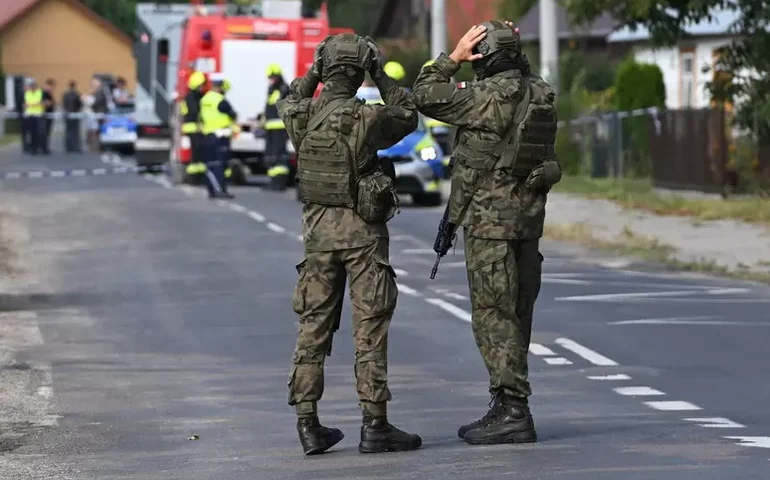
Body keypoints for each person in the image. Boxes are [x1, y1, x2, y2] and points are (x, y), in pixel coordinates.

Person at [412, 21, 561, 445]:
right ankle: (504, 403)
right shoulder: (541, 93)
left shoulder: (484, 97)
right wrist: (511, 50)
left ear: (484, 58)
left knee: (494, 316)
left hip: (490, 225)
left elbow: (424, 94)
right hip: (527, 223)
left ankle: (514, 411)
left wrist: (454, 57)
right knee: (516, 315)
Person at [277, 33, 422, 456]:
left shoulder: (300, 115)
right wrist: (379, 72)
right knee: (369, 328)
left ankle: (308, 424)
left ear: (324, 71)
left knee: (313, 326)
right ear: (360, 74)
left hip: (318, 236)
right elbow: (407, 114)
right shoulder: (367, 118)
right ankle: (375, 425)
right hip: (363, 236)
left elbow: (290, 97)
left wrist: (314, 70)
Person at [199, 73, 237, 199]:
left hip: (208, 135)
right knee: (220, 164)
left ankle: (211, 190)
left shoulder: (204, 99)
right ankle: (220, 190)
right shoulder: (220, 100)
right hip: (220, 136)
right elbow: (232, 114)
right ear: (221, 86)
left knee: (210, 164)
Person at [264, 64, 290, 190]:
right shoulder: (272, 89)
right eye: (270, 77)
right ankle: (273, 181)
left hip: (280, 128)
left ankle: (280, 182)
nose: (271, 79)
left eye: (273, 77)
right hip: (270, 127)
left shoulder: (284, 89)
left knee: (279, 155)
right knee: (271, 155)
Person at [181, 71, 207, 176]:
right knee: (196, 151)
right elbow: (194, 111)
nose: (203, 87)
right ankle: (194, 172)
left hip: (194, 127)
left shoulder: (193, 96)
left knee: (197, 150)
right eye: (201, 85)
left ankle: (197, 170)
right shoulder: (192, 97)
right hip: (193, 127)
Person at [22, 78, 45, 155]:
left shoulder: (40, 92)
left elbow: (43, 103)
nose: (31, 87)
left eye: (33, 86)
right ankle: (33, 148)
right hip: (30, 115)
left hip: (38, 115)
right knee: (32, 133)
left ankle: (38, 147)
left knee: (39, 133)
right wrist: (35, 104)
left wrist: (32, 104)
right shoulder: (27, 93)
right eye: (30, 86)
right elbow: (25, 104)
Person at [62, 80, 83, 153]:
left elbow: (64, 104)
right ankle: (75, 147)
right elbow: (80, 104)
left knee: (68, 131)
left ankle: (68, 146)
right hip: (75, 115)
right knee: (75, 132)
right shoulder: (77, 94)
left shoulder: (65, 94)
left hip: (67, 115)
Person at [41, 79, 56, 155]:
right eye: (52, 86)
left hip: (49, 115)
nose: (53, 88)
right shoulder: (44, 93)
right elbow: (45, 103)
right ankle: (44, 148)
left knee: (47, 133)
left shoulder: (49, 93)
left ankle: (45, 147)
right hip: (45, 116)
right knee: (44, 133)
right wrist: (50, 103)